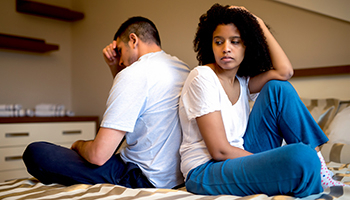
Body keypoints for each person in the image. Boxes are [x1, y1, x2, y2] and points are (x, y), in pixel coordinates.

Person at [179, 4, 347, 198]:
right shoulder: (202, 77)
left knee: (278, 88)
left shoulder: (242, 82)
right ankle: (308, 167)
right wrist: (271, 162)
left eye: (235, 41)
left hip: (239, 155)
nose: (226, 49)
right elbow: (219, 151)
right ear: (210, 45)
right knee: (301, 156)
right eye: (219, 42)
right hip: (205, 171)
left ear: (247, 46)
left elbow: (285, 72)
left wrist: (255, 22)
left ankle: (320, 171)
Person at [23, 16, 190, 189]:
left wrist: (78, 144)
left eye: (119, 50)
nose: (120, 61)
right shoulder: (183, 68)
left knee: (36, 152)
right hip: (176, 178)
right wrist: (115, 70)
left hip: (140, 177)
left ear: (133, 40)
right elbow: (134, 109)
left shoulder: (135, 73)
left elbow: (98, 155)